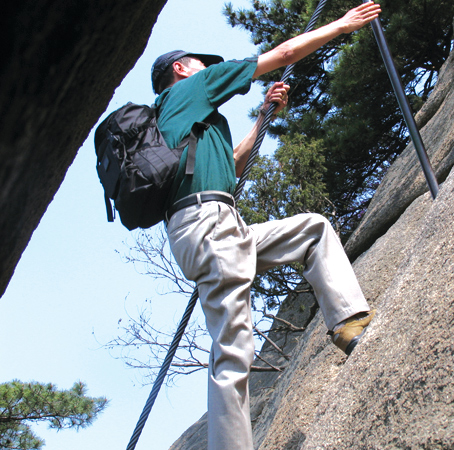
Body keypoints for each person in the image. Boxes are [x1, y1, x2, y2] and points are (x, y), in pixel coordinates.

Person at [150, 2, 380, 449]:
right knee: (233, 354)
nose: (208, 68)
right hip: (209, 226)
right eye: (201, 64)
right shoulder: (192, 88)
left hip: (214, 225)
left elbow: (230, 166)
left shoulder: (179, 120)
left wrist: (260, 120)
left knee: (312, 230)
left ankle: (349, 320)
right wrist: (344, 24)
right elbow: (285, 52)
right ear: (181, 69)